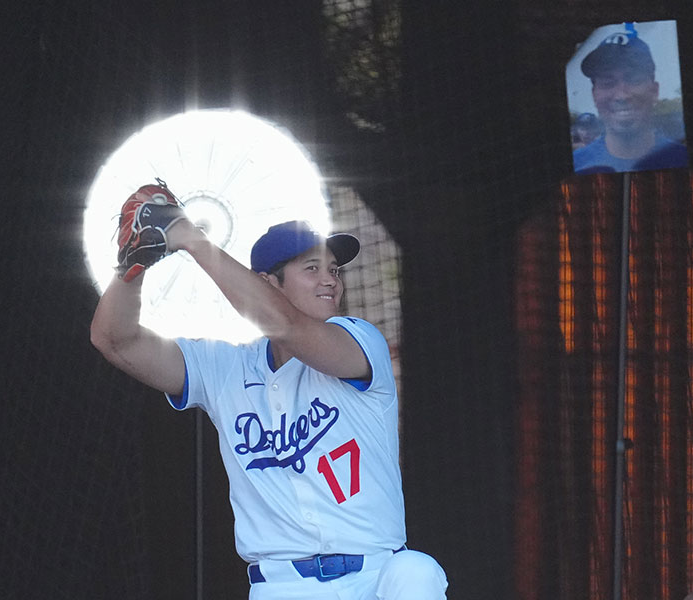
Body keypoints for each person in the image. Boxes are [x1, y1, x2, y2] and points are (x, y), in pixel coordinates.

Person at [91, 188, 448, 600]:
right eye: (311, 268)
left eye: (334, 269)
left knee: (416, 571)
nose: (330, 279)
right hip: (283, 587)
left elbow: (286, 326)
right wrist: (133, 266)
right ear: (268, 284)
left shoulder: (359, 340)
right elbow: (113, 340)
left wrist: (190, 238)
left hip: (376, 575)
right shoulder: (224, 369)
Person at [572, 30, 689, 174]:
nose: (621, 95)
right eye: (608, 83)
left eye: (634, 80)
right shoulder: (576, 166)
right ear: (594, 95)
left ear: (654, 91)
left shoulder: (683, 159)